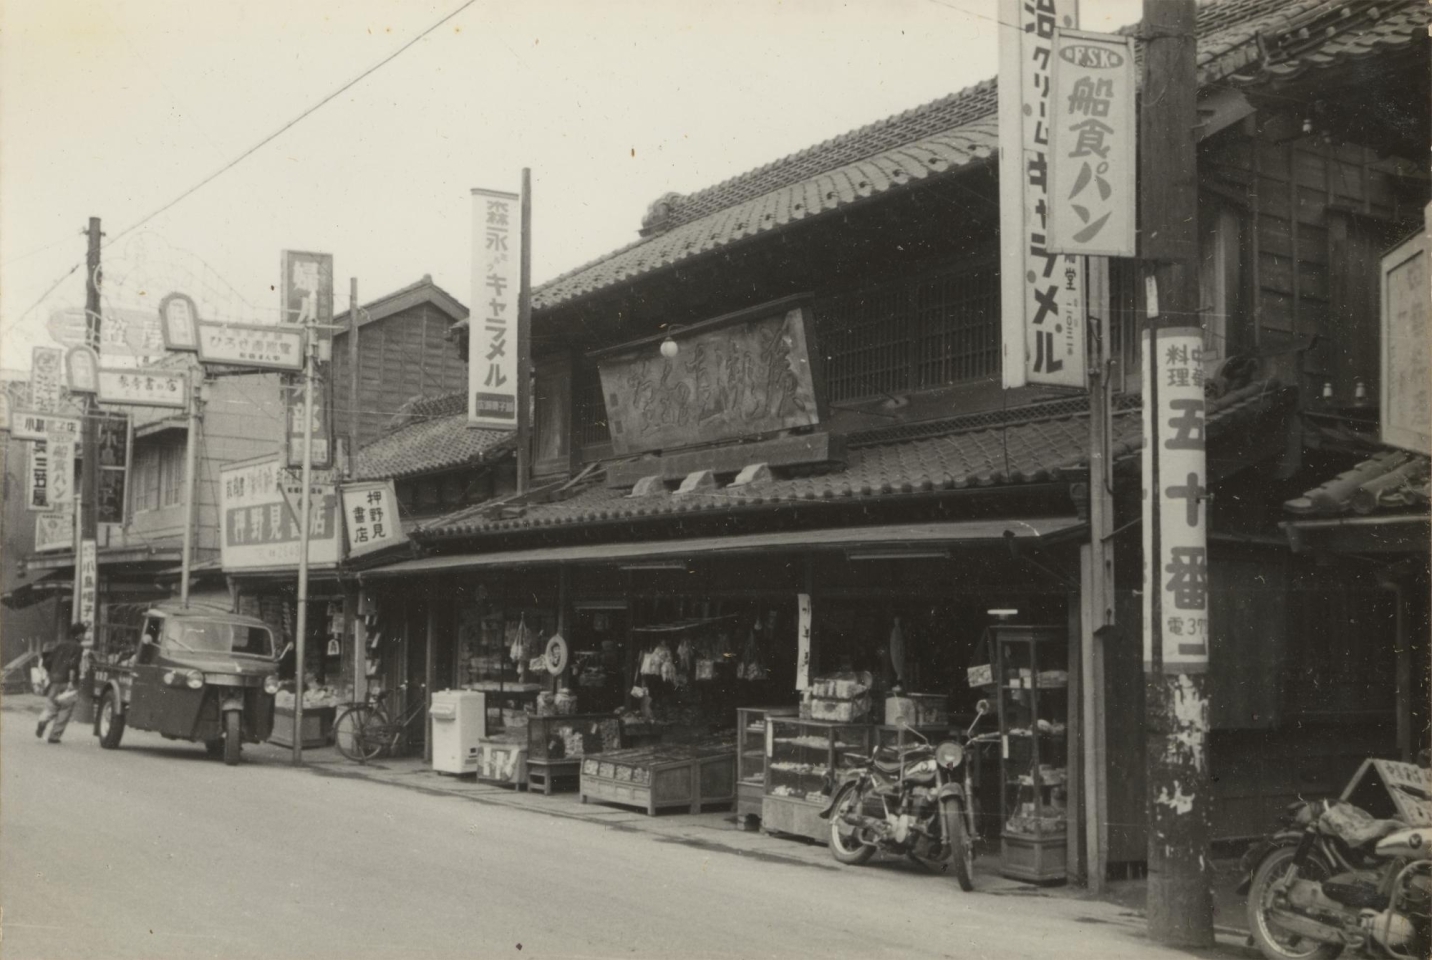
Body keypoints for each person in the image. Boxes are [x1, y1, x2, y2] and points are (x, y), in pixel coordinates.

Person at [37, 622, 85, 744]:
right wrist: (71, 681)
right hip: (67, 681)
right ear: (79, 634)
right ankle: (54, 736)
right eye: (83, 634)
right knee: (65, 709)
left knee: (52, 705)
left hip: (55, 680)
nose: (84, 636)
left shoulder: (60, 645)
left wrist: (52, 673)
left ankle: (43, 720)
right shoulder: (78, 647)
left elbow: (47, 661)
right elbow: (73, 665)